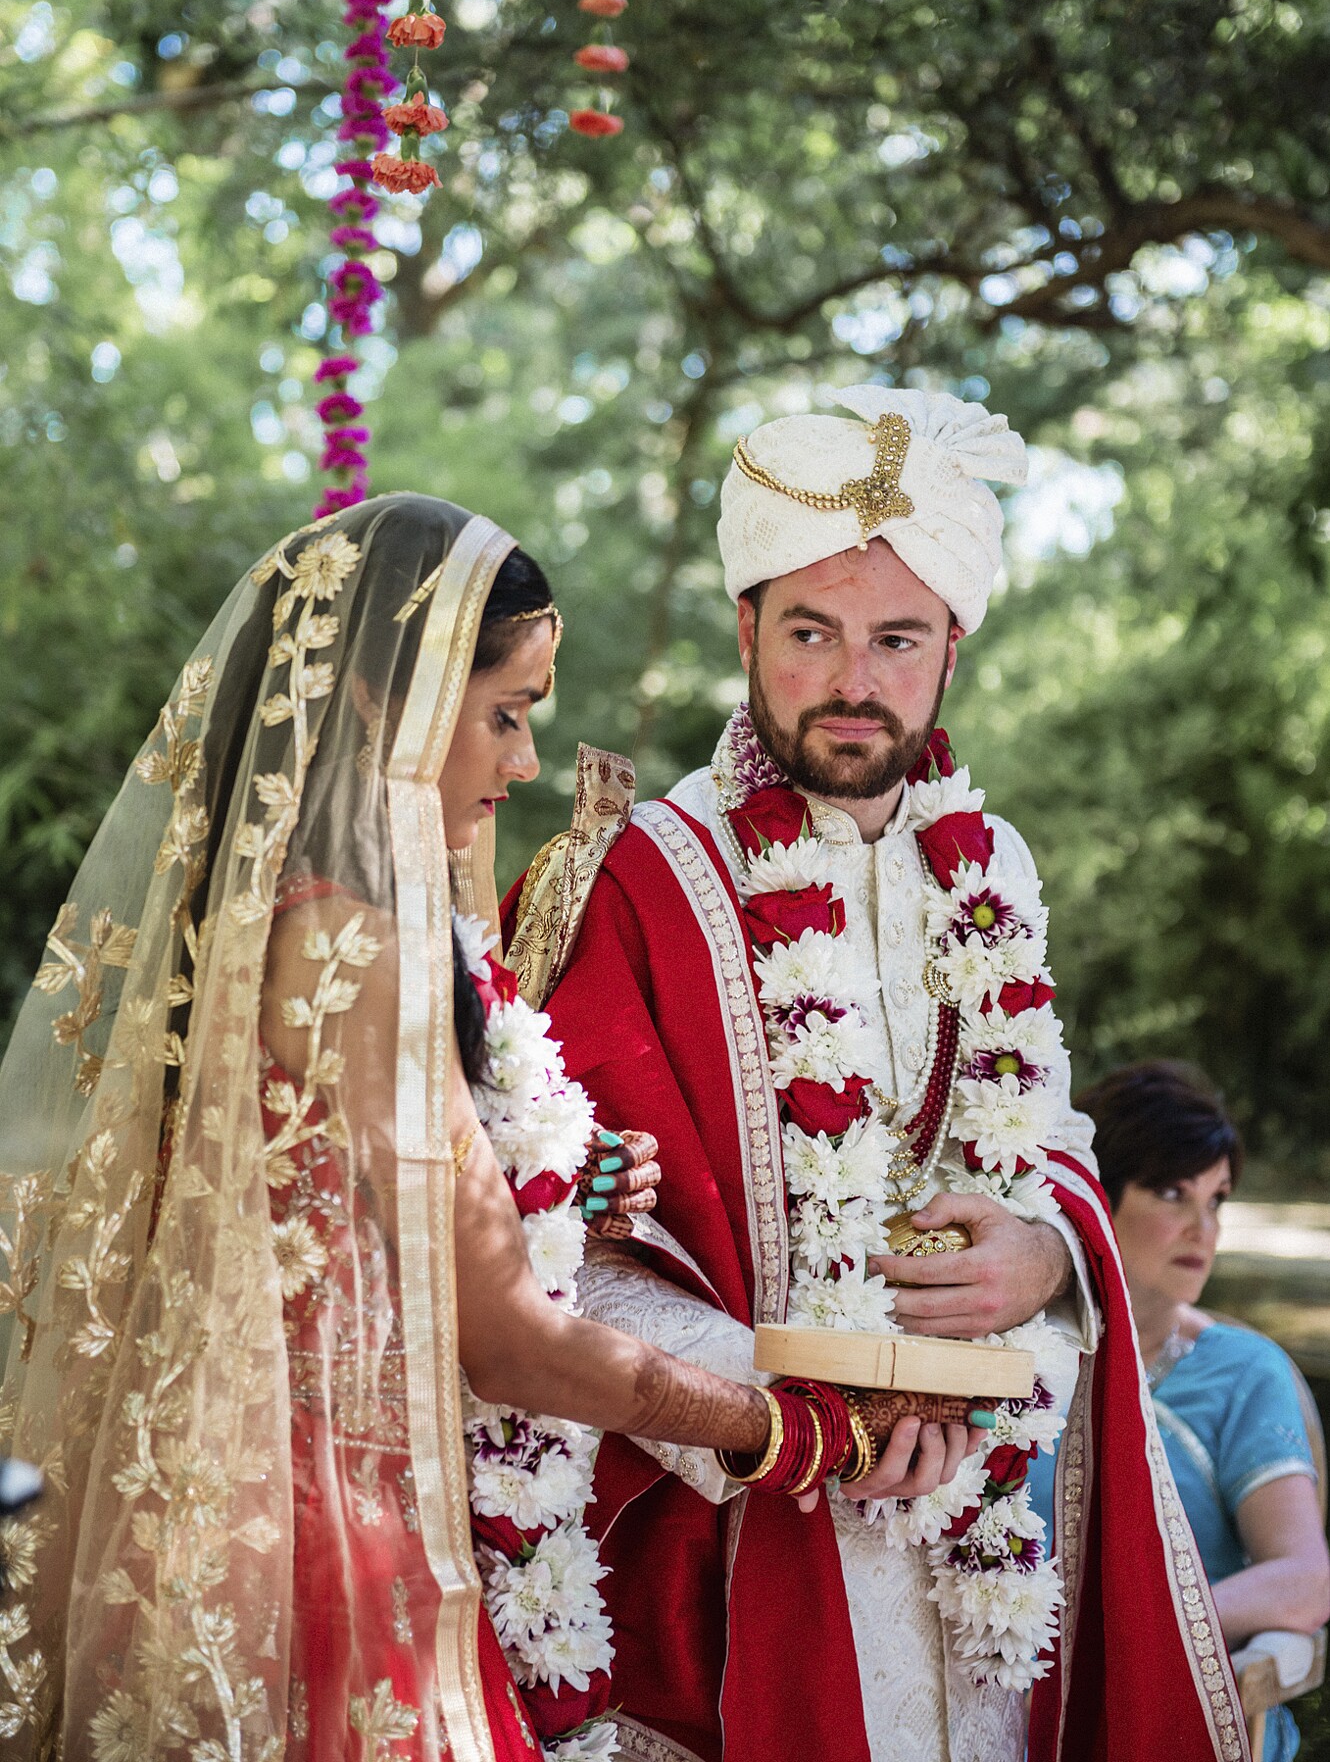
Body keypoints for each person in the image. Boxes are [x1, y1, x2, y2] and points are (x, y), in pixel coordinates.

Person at [0, 496, 936, 1762]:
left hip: (262, 1504)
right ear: (385, 703)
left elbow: (370, 1217)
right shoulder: (356, 948)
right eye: (505, 712)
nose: (527, 761)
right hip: (328, 1539)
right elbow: (509, 1343)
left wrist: (545, 1189)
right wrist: (791, 1428)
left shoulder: (296, 921)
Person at [507, 388, 1252, 1762]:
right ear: (746, 627)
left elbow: (1049, 1135)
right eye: (810, 631)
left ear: (951, 648)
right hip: (747, 1533)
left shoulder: (993, 867)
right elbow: (557, 1252)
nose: (852, 678)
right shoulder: (640, 880)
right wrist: (802, 1410)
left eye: (896, 638)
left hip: (987, 1538)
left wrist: (1047, 1252)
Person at [1029, 1060, 1330, 1762]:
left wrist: (1143, 1634)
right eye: (1172, 1192)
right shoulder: (1017, 1354)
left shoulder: (1242, 1373)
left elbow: (1304, 1579)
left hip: (1175, 1716)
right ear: (1095, 1196)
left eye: (1217, 1199)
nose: (1204, 1228)